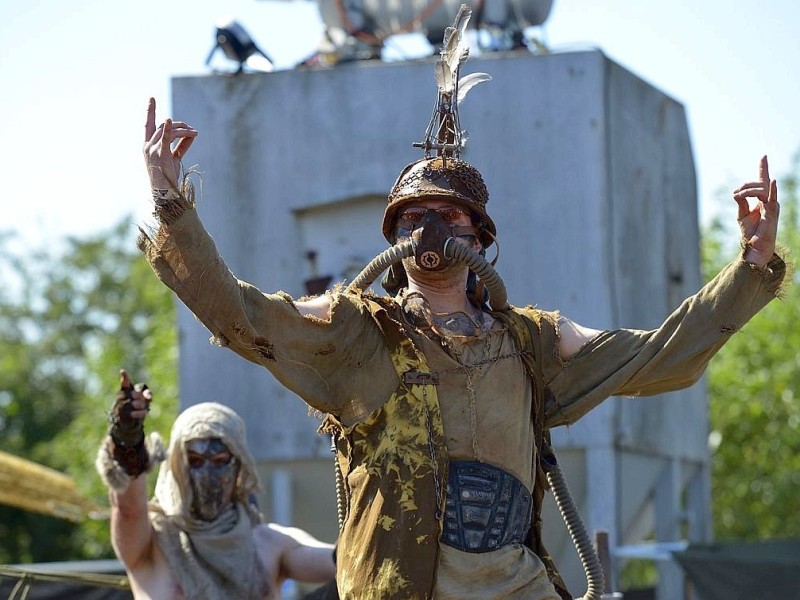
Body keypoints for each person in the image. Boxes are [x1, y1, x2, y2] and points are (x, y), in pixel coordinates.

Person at [135, 11, 784, 599]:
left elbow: (656, 356)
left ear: (478, 236)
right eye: (412, 215)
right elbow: (242, 316)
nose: (428, 225)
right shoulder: (357, 331)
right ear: (394, 237)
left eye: (445, 213)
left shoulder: (533, 341)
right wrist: (171, 206)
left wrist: (750, 270)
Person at [96, 369, 336, 600]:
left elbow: (345, 562)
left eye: (220, 461)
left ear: (239, 464)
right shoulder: (152, 542)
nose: (207, 474)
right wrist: (127, 440)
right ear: (177, 465)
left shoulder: (270, 543)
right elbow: (129, 511)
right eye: (196, 461)